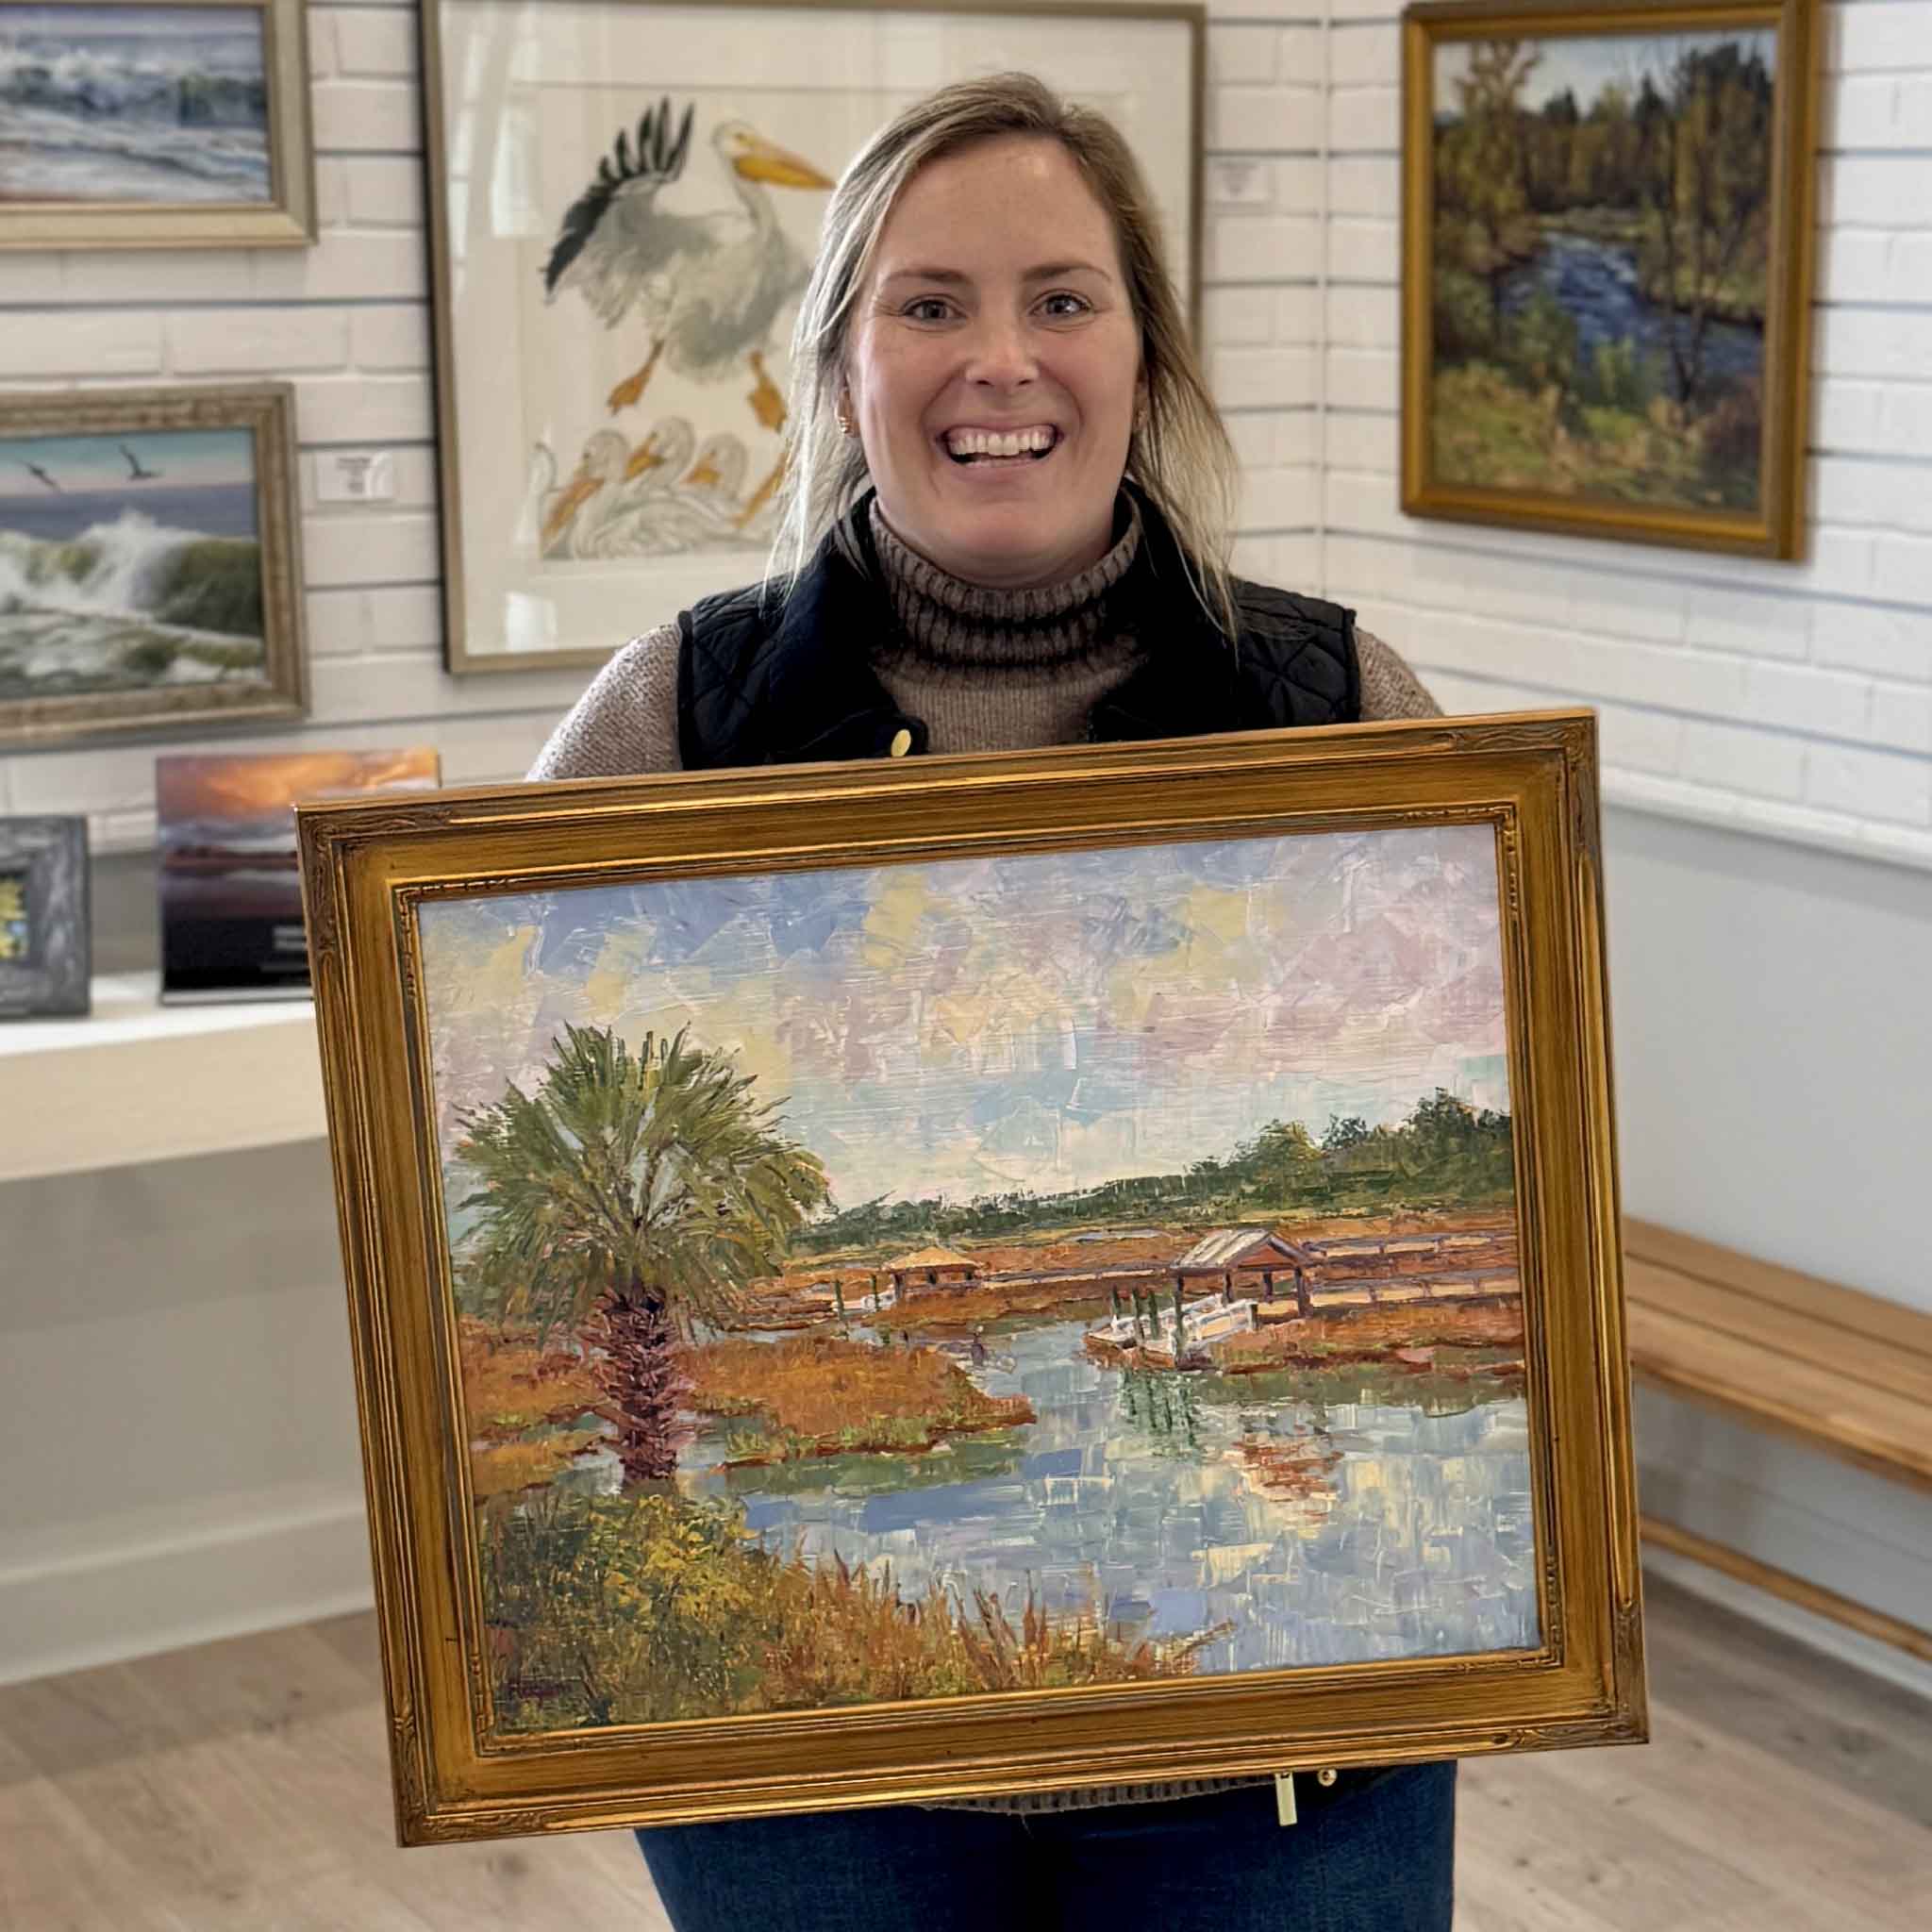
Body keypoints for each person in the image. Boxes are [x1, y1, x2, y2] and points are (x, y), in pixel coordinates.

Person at [531, 73, 1454, 1932]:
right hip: (803, 1765)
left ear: (1145, 352)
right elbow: (512, 1169)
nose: (998, 359)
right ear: (843, 363)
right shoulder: (673, 724)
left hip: (1288, 1745)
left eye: (1060, 296)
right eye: (928, 303)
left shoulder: (1335, 701)